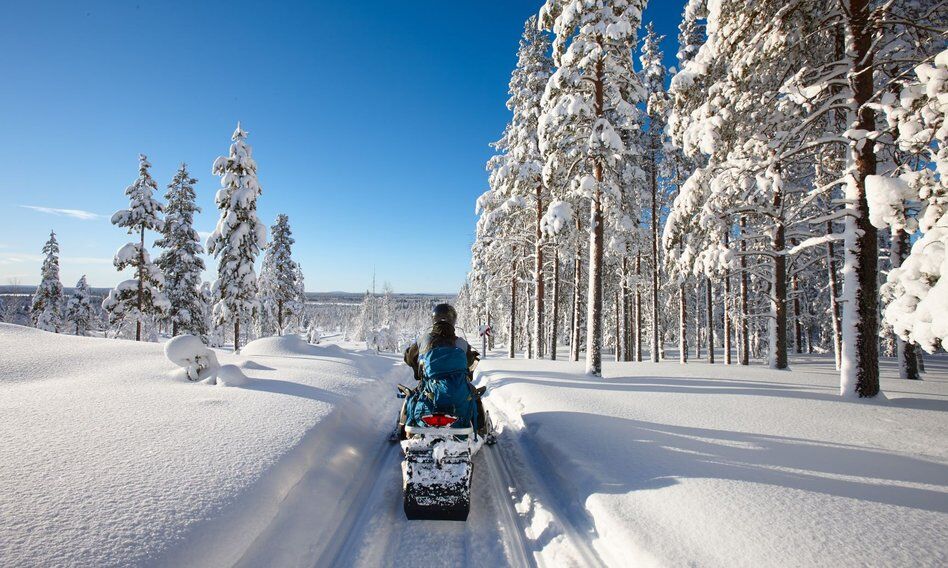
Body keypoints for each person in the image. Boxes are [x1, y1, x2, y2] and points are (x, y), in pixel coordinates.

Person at [398, 303, 487, 437]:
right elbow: (469, 362)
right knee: (475, 397)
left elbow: (409, 358)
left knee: (411, 396)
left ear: (434, 319)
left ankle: (401, 428)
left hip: (429, 388)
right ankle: (481, 430)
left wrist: (417, 365)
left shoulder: (424, 340)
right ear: (453, 320)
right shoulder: (461, 343)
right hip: (457, 389)